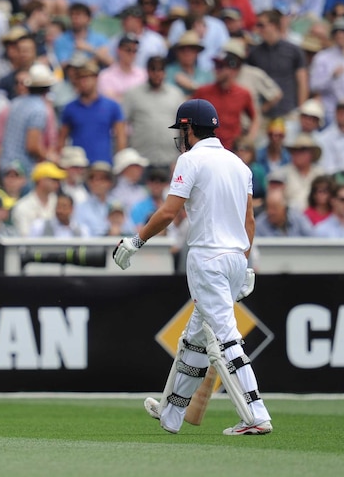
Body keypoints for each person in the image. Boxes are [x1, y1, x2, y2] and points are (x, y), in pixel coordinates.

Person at [113, 98, 272, 436]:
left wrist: (135, 242)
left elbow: (170, 213)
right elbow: (249, 221)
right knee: (196, 339)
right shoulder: (239, 165)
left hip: (207, 259)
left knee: (226, 339)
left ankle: (255, 415)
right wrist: (244, 265)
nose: (180, 136)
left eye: (181, 129)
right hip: (234, 257)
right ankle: (171, 414)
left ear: (188, 128)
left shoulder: (190, 159)